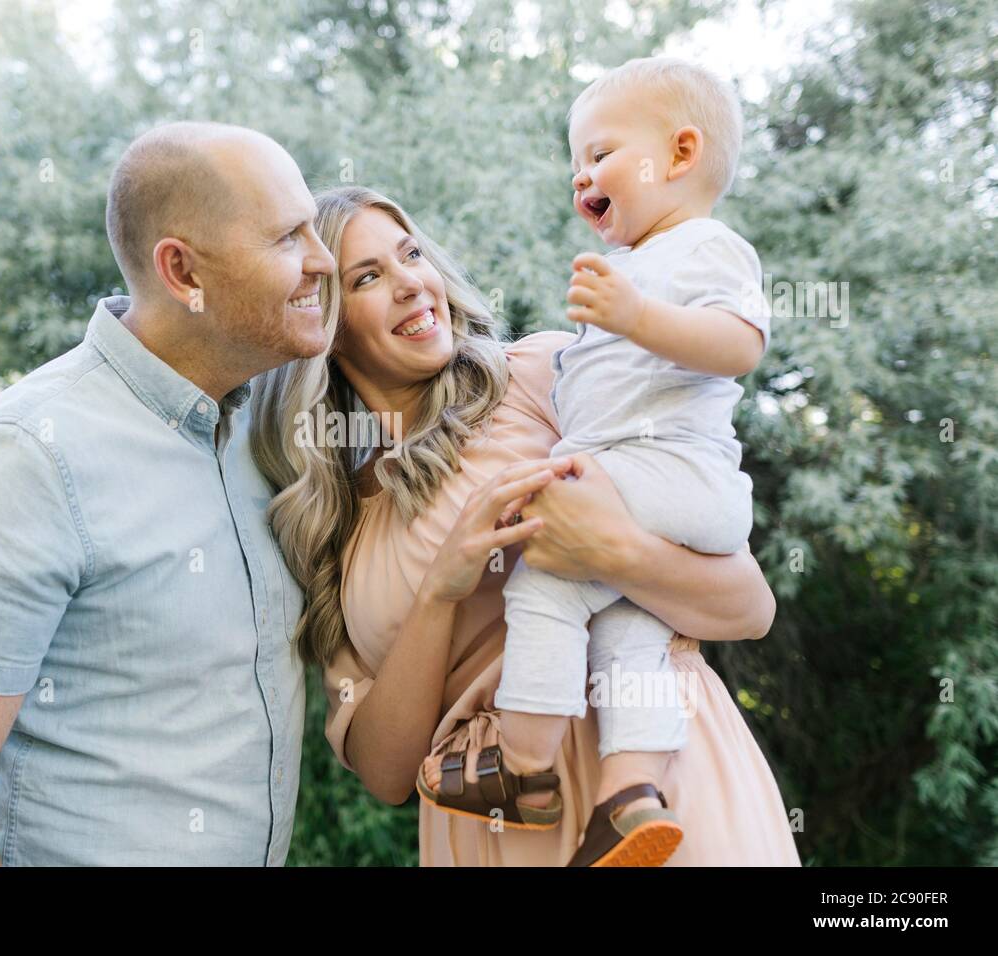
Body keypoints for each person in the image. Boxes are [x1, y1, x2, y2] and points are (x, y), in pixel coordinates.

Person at [251, 184, 801, 866]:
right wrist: (440, 592)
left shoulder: (544, 376)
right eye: (368, 277)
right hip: (486, 818)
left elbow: (749, 606)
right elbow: (387, 772)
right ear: (327, 327)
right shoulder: (326, 525)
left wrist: (617, 552)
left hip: (646, 778)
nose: (410, 284)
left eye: (411, 253)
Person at [0, 121, 336, 865]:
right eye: (288, 237)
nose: (323, 259)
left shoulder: (262, 426)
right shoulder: (28, 459)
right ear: (184, 273)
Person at [491, 56, 772, 866]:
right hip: (667, 488)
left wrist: (636, 313)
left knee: (545, 577)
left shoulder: (704, 247)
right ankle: (629, 794)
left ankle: (523, 768)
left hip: (672, 474)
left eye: (600, 154)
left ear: (679, 155)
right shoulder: (642, 262)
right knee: (630, 629)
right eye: (575, 163)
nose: (581, 176)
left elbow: (739, 346)